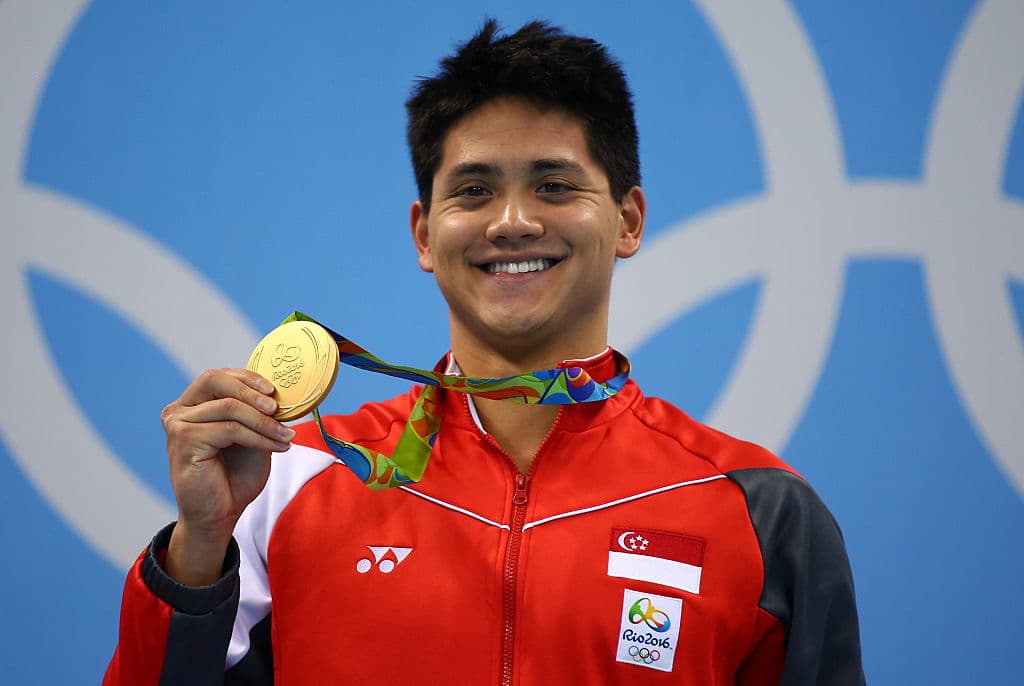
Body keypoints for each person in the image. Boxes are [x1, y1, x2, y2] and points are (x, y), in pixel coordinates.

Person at [104, 19, 865, 685]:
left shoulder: (761, 511)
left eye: (555, 185)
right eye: (472, 191)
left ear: (629, 219)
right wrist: (198, 551)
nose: (511, 221)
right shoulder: (285, 481)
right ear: (425, 235)